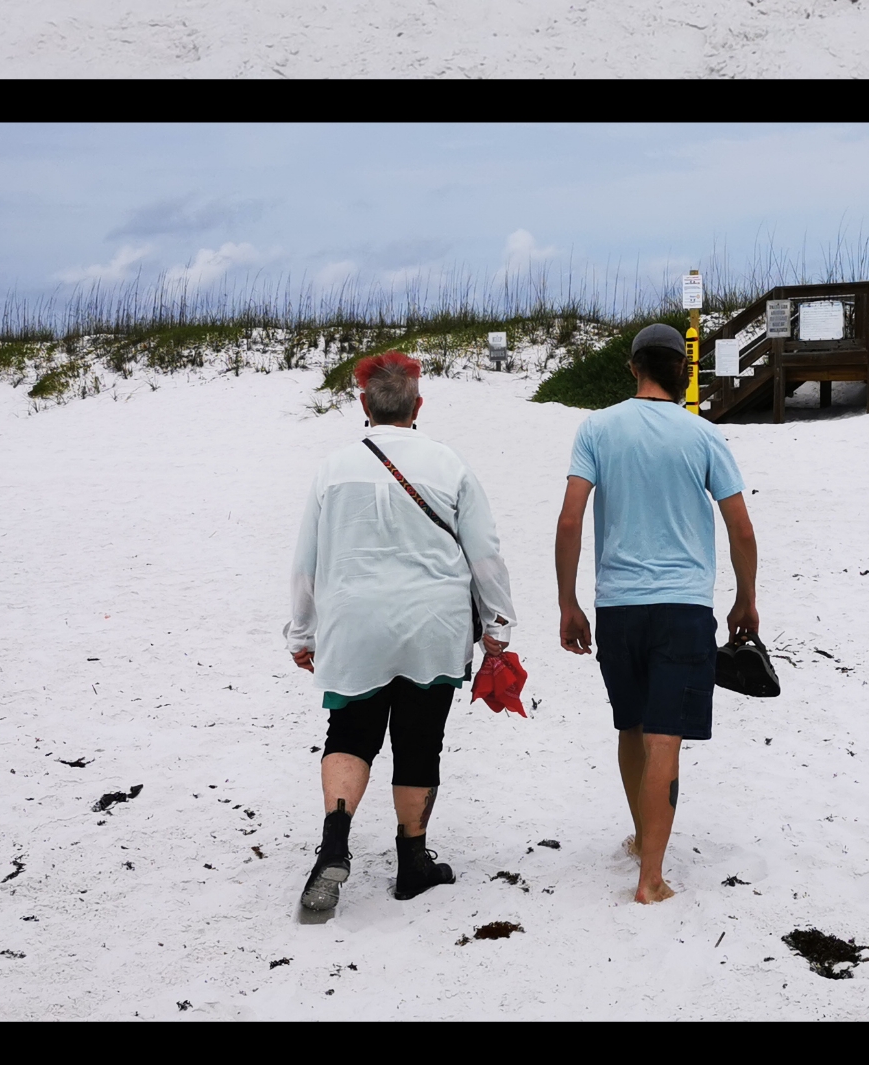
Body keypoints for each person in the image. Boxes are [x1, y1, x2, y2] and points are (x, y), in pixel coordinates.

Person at [283, 352, 514, 921]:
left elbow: (305, 561)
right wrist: (498, 625)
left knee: (350, 732)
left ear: (364, 405)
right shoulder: (448, 463)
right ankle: (412, 861)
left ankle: (334, 847)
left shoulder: (333, 468)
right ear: (418, 405)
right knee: (419, 739)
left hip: (353, 623)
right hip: (432, 626)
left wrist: (301, 633)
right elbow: (484, 553)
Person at [557, 323, 760, 905]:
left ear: (633, 367)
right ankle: (651, 877)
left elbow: (570, 520)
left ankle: (644, 836)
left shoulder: (596, 428)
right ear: (683, 372)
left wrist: (568, 601)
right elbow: (740, 526)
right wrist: (746, 597)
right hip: (682, 607)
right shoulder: (702, 435)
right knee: (665, 737)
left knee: (631, 724)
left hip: (618, 606)